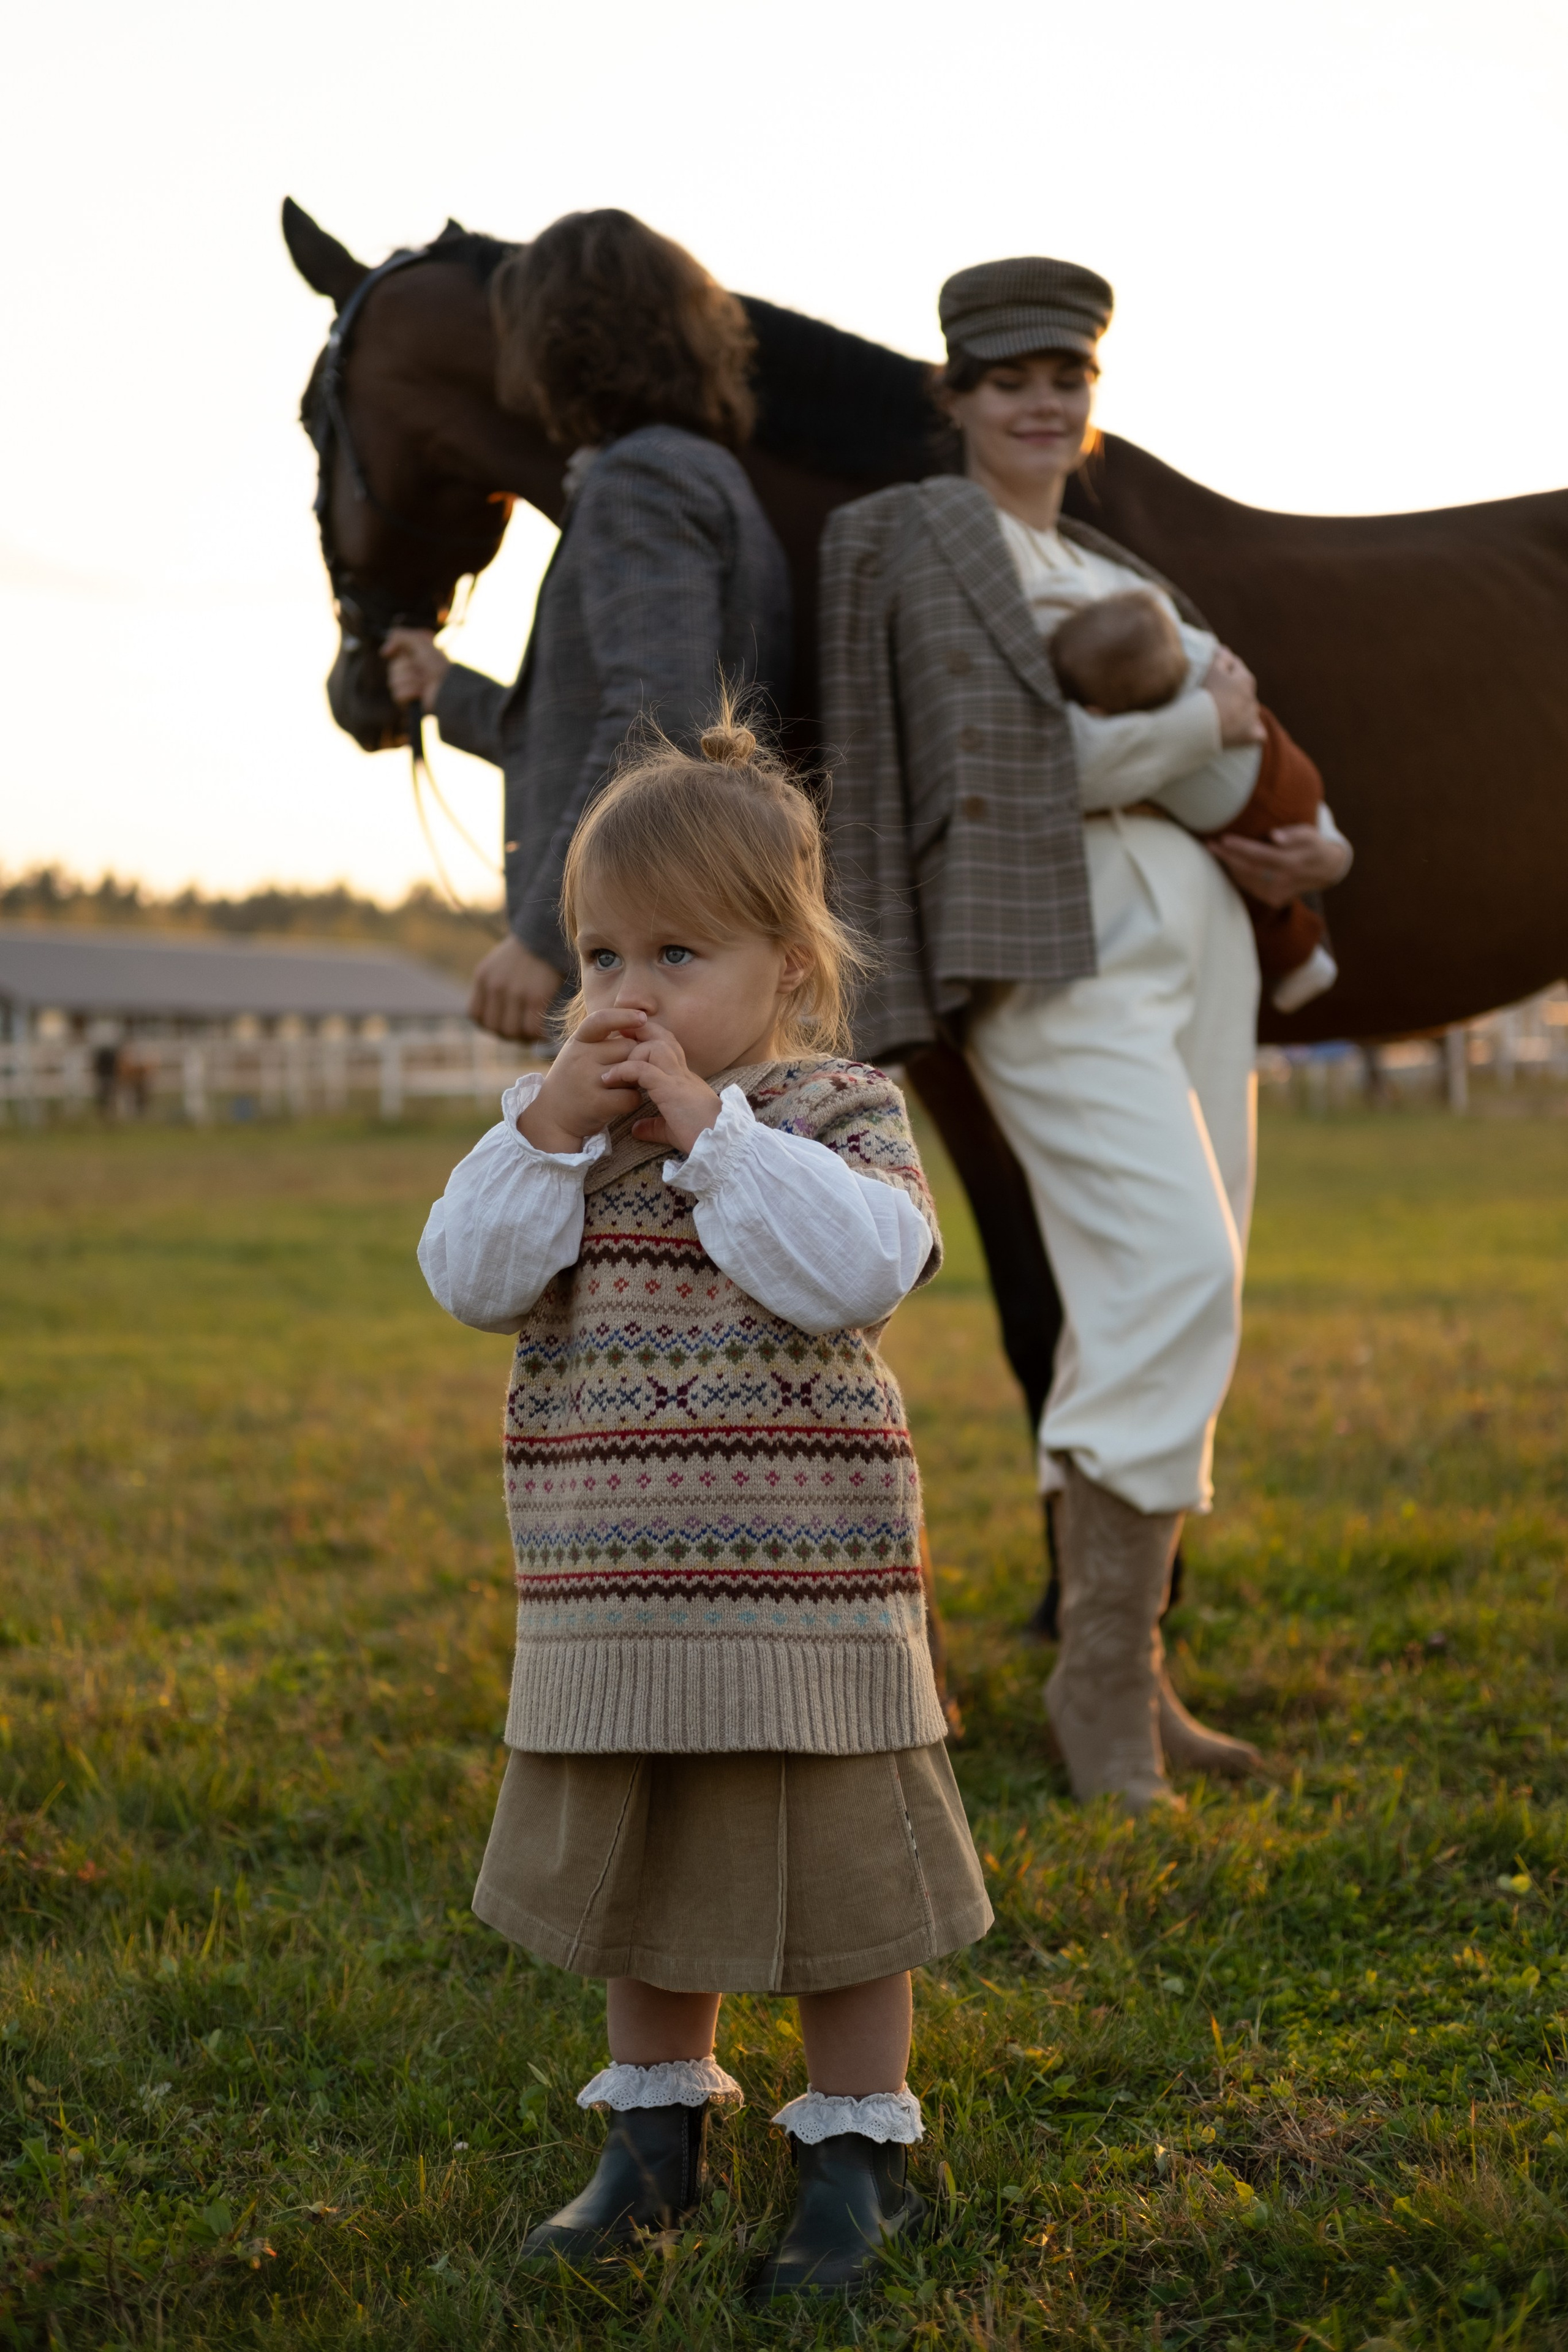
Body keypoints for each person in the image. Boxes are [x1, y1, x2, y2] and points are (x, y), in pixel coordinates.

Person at [416, 715, 992, 2296]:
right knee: (643, 1874)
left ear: (789, 972)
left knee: (841, 1888)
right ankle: (651, 2140)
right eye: (601, 956)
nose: (628, 996)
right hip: (615, 1592)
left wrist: (710, 1132)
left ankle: (855, 2153)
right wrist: (542, 1136)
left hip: (806, 1596)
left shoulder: (831, 1117)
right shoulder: (559, 1144)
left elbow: (858, 1269)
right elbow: (469, 1281)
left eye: (679, 953)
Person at [821, 256, 1354, 1812]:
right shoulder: (902, 542)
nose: (1041, 399)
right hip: (1049, 958)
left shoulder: (1110, 560)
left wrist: (1316, 855)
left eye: (1066, 374)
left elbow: (1241, 761)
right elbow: (968, 764)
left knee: (1173, 1293)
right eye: (1006, 377)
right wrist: (1202, 728)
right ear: (955, 397)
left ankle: (1133, 1667)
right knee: (1172, 1269)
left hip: (1199, 947)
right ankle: (1091, 1680)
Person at [383, 208, 793, 1043]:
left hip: (648, 959)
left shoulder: (640, 479)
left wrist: (544, 937)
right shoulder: (689, 470)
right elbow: (592, 717)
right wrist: (446, 691)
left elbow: (658, 723)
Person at [1049, 589, 1344, 1012]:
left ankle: (1303, 962)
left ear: (1098, 712)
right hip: (1287, 762)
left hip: (1256, 813)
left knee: (1252, 891)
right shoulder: (1190, 650)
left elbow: (1086, 767)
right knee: (1298, 819)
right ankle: (1322, 827)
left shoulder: (1146, 736)